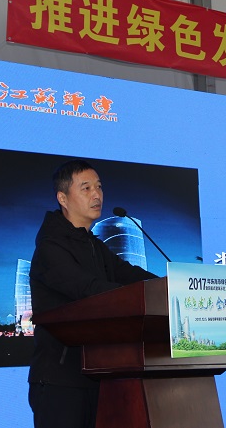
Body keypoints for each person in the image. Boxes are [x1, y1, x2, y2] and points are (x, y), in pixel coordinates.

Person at [28, 159, 157, 428]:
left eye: (99, 187)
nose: (96, 194)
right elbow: (87, 290)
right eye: (86, 188)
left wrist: (170, 286)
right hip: (60, 381)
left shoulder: (95, 246)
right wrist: (139, 297)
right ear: (63, 198)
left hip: (101, 372)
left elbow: (129, 274)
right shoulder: (50, 247)